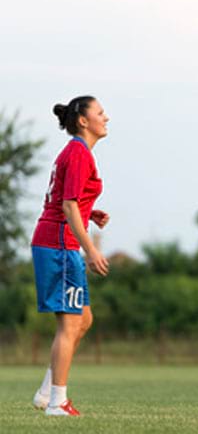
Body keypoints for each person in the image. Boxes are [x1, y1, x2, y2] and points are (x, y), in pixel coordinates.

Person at [31, 96, 110, 416]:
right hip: (59, 245)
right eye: (100, 113)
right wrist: (91, 250)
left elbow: (68, 201)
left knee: (83, 320)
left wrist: (90, 213)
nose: (106, 118)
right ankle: (57, 403)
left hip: (58, 241)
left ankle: (47, 392)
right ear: (83, 120)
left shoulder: (77, 153)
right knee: (70, 322)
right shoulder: (78, 153)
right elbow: (66, 206)